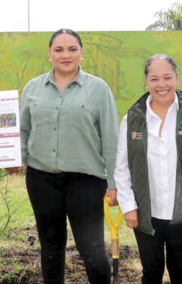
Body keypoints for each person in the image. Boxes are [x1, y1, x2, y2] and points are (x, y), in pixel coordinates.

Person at [20, 28, 119, 284]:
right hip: (41, 179)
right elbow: (23, 130)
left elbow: (110, 138)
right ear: (50, 54)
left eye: (72, 49)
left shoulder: (98, 89)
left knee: (92, 248)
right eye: (59, 49)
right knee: (51, 247)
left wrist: (113, 183)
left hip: (85, 181)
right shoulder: (33, 88)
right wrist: (13, 159)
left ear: (82, 53)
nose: (66, 55)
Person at [114, 54, 182, 284]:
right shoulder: (132, 119)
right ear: (146, 82)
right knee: (151, 272)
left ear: (177, 78)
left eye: (167, 77)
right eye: (154, 79)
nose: (161, 85)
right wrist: (129, 206)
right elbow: (122, 169)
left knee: (180, 272)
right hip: (145, 213)